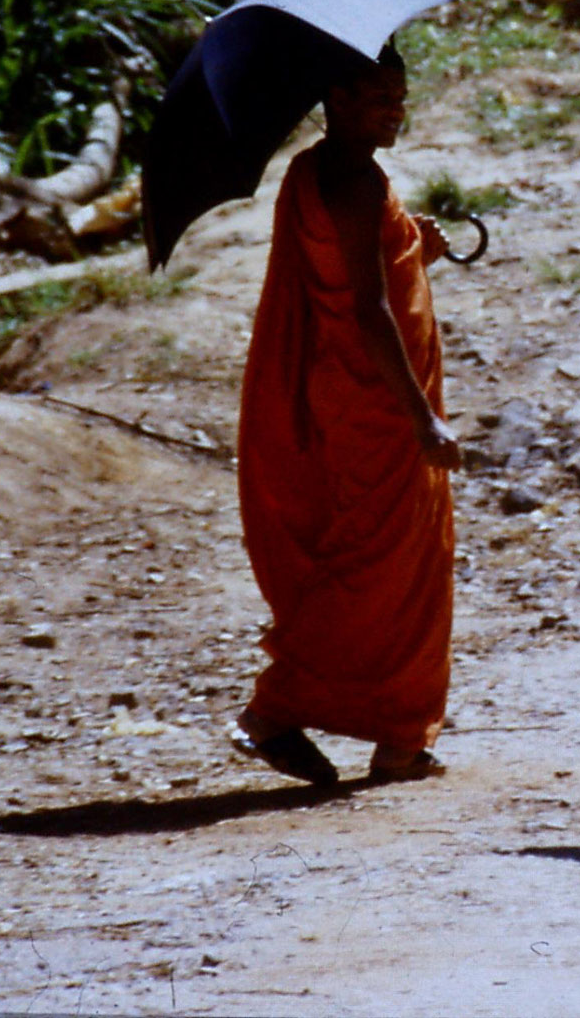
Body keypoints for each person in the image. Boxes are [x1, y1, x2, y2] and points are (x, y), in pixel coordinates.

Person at [232, 42, 462, 786]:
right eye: (378, 97)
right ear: (335, 95)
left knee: (386, 561)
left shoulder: (313, 169)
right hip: (379, 407)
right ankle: (276, 710)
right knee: (384, 567)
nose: (396, 108)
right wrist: (423, 419)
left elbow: (349, 268)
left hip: (348, 395)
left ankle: (401, 737)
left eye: (400, 94)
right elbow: (366, 310)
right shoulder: (356, 181)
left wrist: (409, 246)